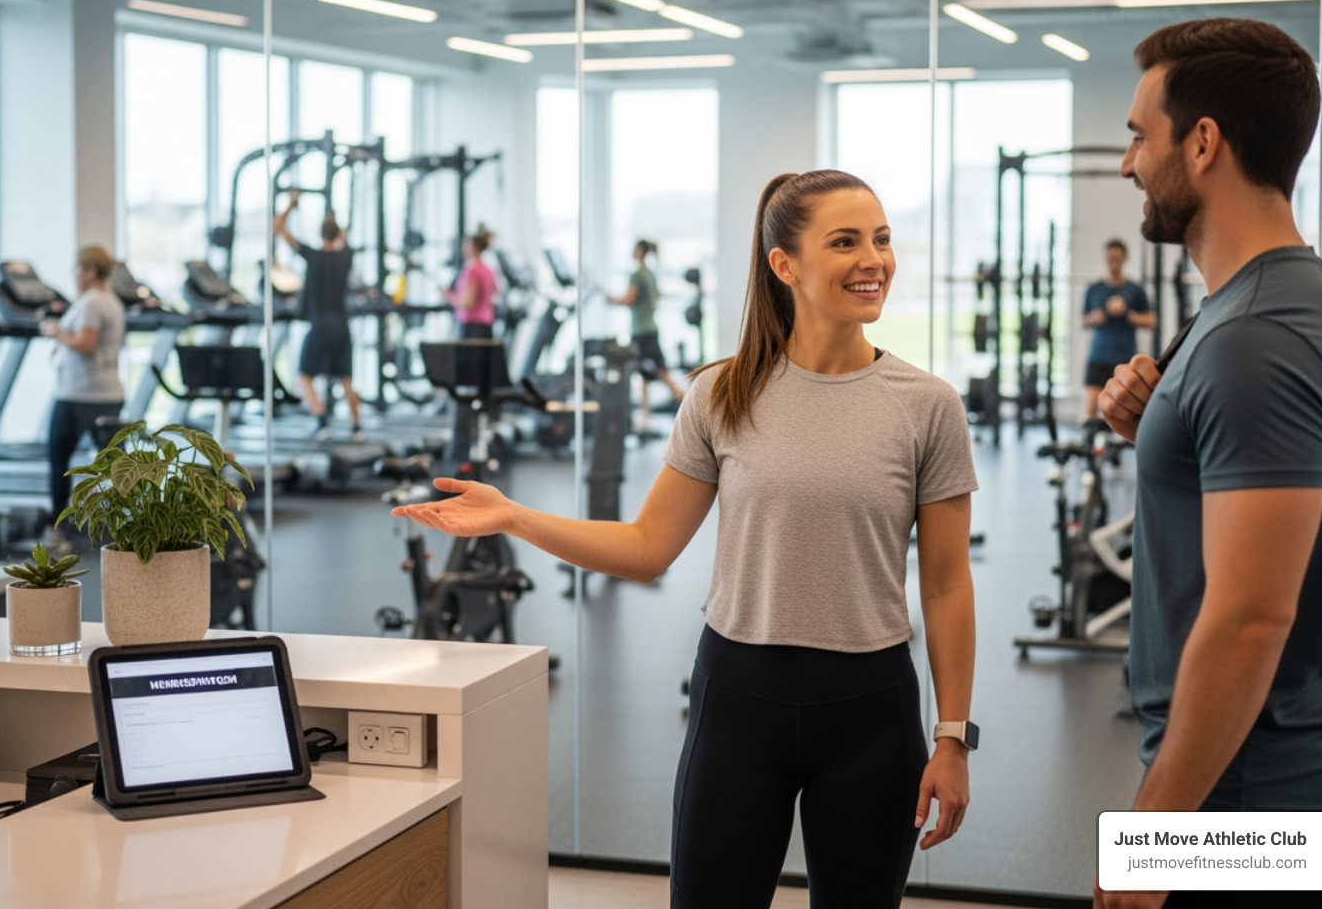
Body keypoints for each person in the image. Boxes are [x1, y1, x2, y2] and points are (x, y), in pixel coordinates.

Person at [395, 170, 979, 908]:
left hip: (870, 708)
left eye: (882, 239)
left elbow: (948, 583)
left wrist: (953, 735)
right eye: (846, 242)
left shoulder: (928, 407)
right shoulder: (721, 392)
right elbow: (647, 547)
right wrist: (515, 516)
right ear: (785, 265)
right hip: (741, 700)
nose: (874, 260)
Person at [1096, 18, 1322, 909]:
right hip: (1277, 786)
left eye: (1141, 135)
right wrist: (1162, 432)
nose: (1127, 163)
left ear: (1204, 142)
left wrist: (1152, 842)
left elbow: (1253, 617)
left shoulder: (1256, 336)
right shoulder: (1289, 295)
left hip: (1248, 805)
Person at [41, 245, 125, 536]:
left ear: (89, 271)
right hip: (106, 392)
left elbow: (87, 346)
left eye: (77, 269)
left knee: (58, 460)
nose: (74, 275)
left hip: (81, 395)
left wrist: (57, 332)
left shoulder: (91, 303)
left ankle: (58, 527)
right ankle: (123, 526)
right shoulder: (110, 301)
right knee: (115, 467)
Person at [273, 189, 363, 442]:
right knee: (346, 379)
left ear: (321, 234)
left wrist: (292, 204)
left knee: (304, 376)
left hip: (320, 326)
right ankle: (357, 428)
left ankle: (322, 420)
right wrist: (336, 226)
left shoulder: (312, 256)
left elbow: (278, 227)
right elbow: (343, 240)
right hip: (341, 326)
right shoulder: (345, 257)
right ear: (337, 234)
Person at [606, 239, 686, 423]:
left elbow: (628, 299)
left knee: (656, 371)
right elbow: (656, 300)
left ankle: (683, 398)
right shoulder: (650, 275)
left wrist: (611, 300)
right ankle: (646, 414)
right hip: (650, 328)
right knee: (645, 373)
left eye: (634, 249)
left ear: (640, 251)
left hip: (642, 331)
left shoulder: (638, 275)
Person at [1081, 239, 1155, 421]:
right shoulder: (1094, 289)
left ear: (1124, 259)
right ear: (1105, 259)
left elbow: (1151, 320)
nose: (1113, 262)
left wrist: (1128, 314)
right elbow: (1083, 320)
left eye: (1117, 258)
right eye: (1110, 258)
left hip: (1124, 358)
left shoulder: (1135, 290)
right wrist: (1095, 317)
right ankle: (1090, 446)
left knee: (1126, 415)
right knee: (1090, 411)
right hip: (1098, 357)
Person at [442, 228, 498, 339]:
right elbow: (495, 292)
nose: (463, 248)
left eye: (466, 244)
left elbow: (467, 303)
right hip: (486, 326)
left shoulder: (472, 270)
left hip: (473, 328)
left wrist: (446, 294)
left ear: (473, 247)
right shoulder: (488, 269)